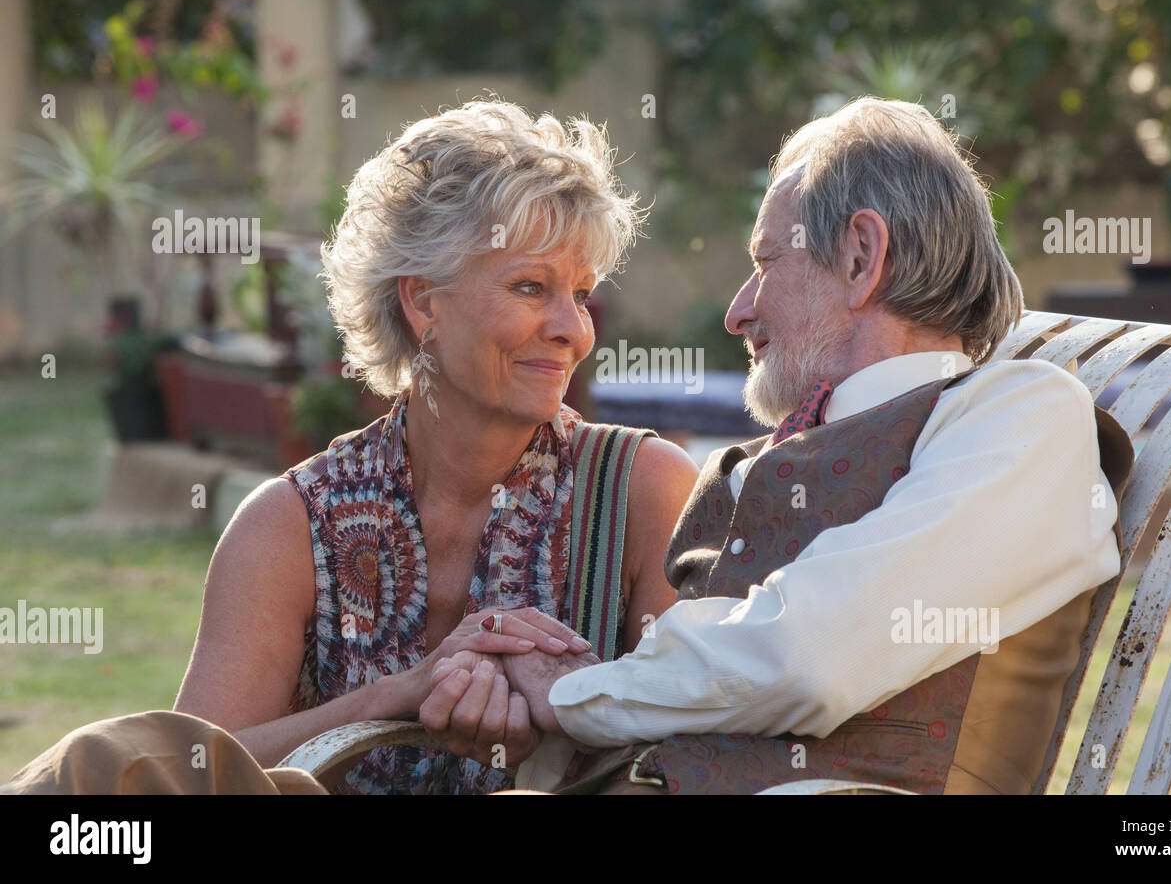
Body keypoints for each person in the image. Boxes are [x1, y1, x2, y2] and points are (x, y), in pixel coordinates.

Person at [3, 98, 699, 795]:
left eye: (580, 294)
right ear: (423, 302)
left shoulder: (643, 492)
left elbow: (701, 749)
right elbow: (190, 771)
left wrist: (578, 701)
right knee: (95, 767)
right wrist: (389, 698)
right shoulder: (291, 522)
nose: (571, 329)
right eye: (530, 287)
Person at [489, 95, 1136, 795]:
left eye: (766, 261)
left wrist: (574, 693)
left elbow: (812, 654)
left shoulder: (1019, 415)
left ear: (861, 256)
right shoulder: (771, 458)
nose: (739, 311)